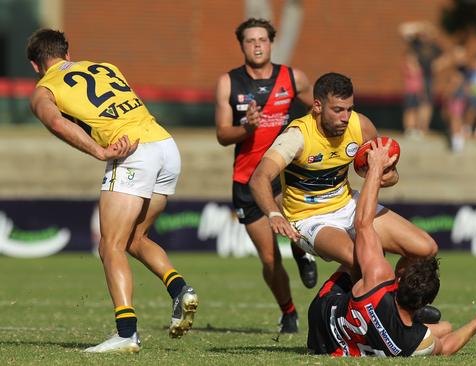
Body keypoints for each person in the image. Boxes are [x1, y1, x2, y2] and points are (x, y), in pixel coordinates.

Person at [26, 29, 198, 353]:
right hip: (165, 144)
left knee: (110, 246)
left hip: (134, 152)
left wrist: (100, 152)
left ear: (35, 65)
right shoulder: (105, 66)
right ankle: (180, 291)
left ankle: (126, 333)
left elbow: (57, 123)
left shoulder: (43, 89)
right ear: (68, 51)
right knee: (136, 239)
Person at [306, 137, 476, 356]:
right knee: (444, 328)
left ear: (397, 282)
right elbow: (446, 347)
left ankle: (306, 242)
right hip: (325, 344)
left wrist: (376, 170)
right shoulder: (415, 341)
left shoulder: (377, 278)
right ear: (424, 303)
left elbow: (363, 223)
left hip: (321, 316)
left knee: (367, 254)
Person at [249, 72, 438, 277]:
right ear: (317, 106)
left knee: (425, 249)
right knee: (363, 260)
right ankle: (335, 301)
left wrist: (389, 176)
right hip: (309, 218)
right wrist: (274, 214)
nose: (345, 118)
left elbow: (388, 175)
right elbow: (259, 178)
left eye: (349, 109)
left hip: (347, 204)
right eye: (338, 110)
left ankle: (397, 304)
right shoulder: (296, 136)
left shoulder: (361, 126)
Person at [214, 18, 316, 334]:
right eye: (250, 40)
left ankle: (301, 250)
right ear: (242, 45)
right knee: (270, 259)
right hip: (246, 179)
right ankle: (288, 312)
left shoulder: (293, 77)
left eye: (262, 39)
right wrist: (248, 127)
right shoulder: (228, 82)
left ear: (271, 43)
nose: (257, 45)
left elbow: (320, 111)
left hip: (283, 173)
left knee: (295, 224)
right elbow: (221, 134)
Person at [398, 21, 444, 137]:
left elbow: (447, 57)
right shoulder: (416, 44)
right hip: (415, 78)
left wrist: (438, 65)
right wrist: (420, 27)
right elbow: (403, 30)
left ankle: (423, 128)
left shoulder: (435, 47)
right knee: (413, 103)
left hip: (428, 77)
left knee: (426, 102)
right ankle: (411, 128)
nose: (426, 35)